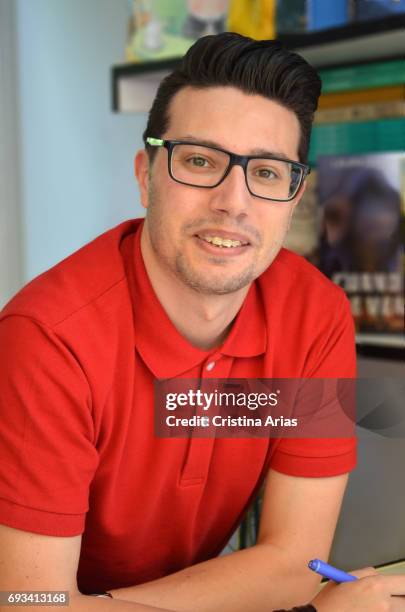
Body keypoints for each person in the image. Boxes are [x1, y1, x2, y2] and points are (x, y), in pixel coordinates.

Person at [0, 33, 403, 612]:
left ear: (294, 199)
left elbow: (294, 560)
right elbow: (30, 603)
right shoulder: (48, 341)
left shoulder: (317, 317)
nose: (232, 202)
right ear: (146, 176)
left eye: (266, 173)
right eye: (199, 161)